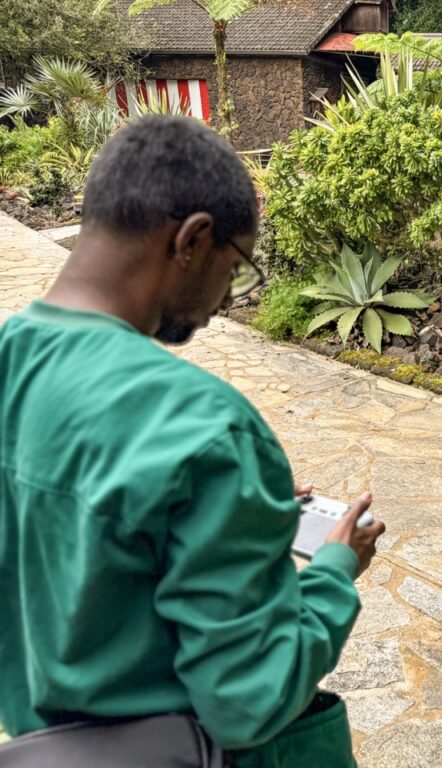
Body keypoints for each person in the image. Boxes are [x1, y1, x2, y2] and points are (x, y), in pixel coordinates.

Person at [0, 115, 384, 766]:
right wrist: (335, 572)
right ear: (194, 240)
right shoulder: (207, 430)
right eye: (237, 268)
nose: (229, 296)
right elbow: (247, 704)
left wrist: (233, 513)